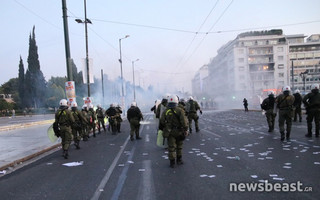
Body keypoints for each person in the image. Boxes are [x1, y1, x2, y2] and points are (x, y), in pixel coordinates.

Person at [159, 95, 188, 168]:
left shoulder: (166, 111)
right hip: (179, 131)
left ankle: (172, 162)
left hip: (170, 132)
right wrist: (186, 129)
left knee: (171, 147)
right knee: (179, 146)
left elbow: (162, 121)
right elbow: (184, 122)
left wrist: (164, 127)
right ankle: (179, 160)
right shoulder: (180, 110)